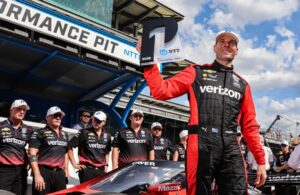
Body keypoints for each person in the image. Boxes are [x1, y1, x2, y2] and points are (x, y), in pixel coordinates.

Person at [142, 29, 266, 194]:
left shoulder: (242, 84)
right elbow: (161, 90)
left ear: (237, 50)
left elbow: (250, 126)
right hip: (200, 143)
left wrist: (261, 161)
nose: (226, 45)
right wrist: (149, 61)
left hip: (231, 145)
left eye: (232, 42)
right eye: (222, 41)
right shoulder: (196, 72)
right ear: (214, 47)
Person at [28, 106, 69, 195]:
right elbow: (32, 154)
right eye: (55, 115)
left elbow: (65, 152)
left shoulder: (64, 134)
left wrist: (66, 169)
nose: (58, 117)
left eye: (60, 116)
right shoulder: (39, 132)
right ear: (47, 117)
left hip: (59, 174)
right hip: (43, 172)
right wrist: (37, 175)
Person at [0, 99, 33, 195]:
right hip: (3, 171)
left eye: (24, 110)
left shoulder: (28, 129)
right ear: (11, 110)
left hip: (21, 172)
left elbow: (33, 149)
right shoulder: (1, 126)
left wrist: (31, 162)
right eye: (19, 109)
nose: (22, 112)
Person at [68, 111, 111, 183]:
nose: (96, 122)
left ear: (104, 122)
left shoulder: (108, 135)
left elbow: (107, 151)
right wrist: (74, 164)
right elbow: (69, 146)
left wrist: (106, 166)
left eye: (98, 121)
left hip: (101, 170)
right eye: (94, 119)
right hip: (87, 170)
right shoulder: (83, 132)